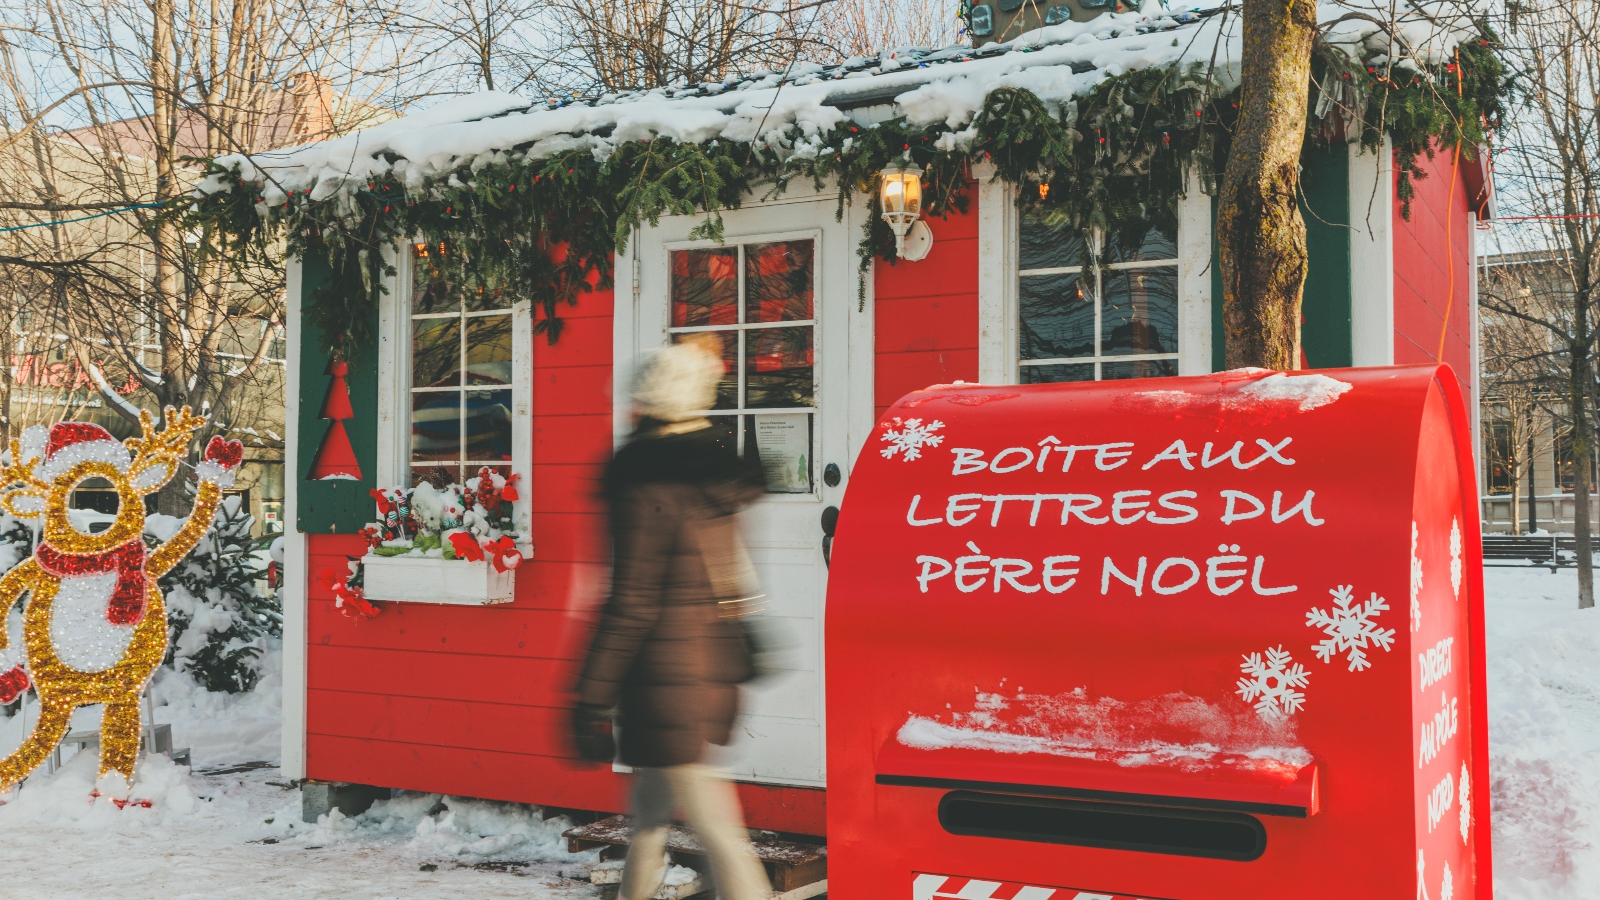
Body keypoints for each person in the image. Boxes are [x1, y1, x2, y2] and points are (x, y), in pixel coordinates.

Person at [572, 339, 772, 900]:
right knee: (650, 817)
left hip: (665, 682)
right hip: (706, 668)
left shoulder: (648, 480)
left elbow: (631, 601)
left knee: (716, 828)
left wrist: (588, 695)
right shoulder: (710, 472)